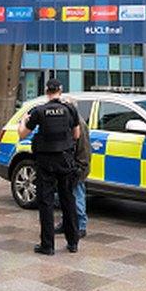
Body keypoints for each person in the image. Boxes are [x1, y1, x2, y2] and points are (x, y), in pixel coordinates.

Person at [18, 78, 80, 255]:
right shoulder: (70, 109)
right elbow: (76, 135)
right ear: (60, 90)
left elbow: (22, 134)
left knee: (46, 203)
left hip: (45, 161)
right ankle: (73, 242)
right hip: (65, 160)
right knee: (68, 200)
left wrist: (23, 120)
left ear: (47, 92)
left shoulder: (39, 111)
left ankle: (48, 246)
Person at [55, 96, 91, 238]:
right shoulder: (68, 122)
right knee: (66, 197)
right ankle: (66, 223)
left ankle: (81, 226)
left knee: (77, 196)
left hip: (76, 167)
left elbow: (84, 148)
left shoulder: (79, 124)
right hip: (66, 166)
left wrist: (80, 167)